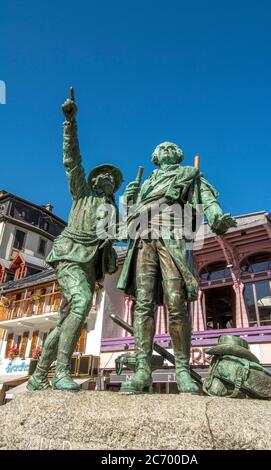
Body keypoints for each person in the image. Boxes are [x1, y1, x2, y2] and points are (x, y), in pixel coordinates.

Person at [117, 141, 236, 394]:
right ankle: (142, 369)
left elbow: (207, 198)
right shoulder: (146, 183)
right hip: (143, 238)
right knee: (143, 302)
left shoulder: (188, 174)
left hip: (173, 234)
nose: (168, 149)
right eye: (162, 148)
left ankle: (182, 369)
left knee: (176, 301)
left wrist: (216, 216)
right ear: (155, 157)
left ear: (178, 155)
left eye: (172, 147)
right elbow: (127, 219)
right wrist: (127, 200)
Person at [27, 90, 123, 391]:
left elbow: (112, 243)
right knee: (81, 305)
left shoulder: (112, 211)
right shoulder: (83, 192)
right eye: (103, 176)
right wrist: (70, 124)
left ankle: (39, 375)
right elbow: (72, 160)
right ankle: (61, 373)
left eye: (113, 179)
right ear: (94, 181)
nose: (107, 179)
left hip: (88, 266)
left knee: (69, 318)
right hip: (70, 254)